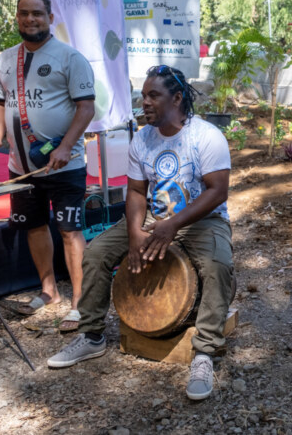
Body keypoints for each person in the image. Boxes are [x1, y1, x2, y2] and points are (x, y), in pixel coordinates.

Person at [47, 65, 234, 402]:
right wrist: (134, 232)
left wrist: (173, 225)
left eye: (153, 95)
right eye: (143, 95)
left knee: (217, 265)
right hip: (152, 215)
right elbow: (135, 191)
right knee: (97, 253)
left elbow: (217, 191)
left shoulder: (206, 136)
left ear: (176, 99)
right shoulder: (142, 139)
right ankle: (91, 336)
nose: (144, 102)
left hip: (201, 218)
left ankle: (205, 351)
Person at [0, 0, 95, 331]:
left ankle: (79, 302)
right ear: (17, 17)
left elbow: (86, 107)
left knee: (69, 231)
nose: (30, 19)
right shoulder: (5, 59)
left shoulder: (70, 58)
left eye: (37, 13)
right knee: (34, 226)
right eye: (24, 13)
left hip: (64, 165)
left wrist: (65, 147)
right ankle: (49, 291)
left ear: (50, 18)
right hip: (20, 168)